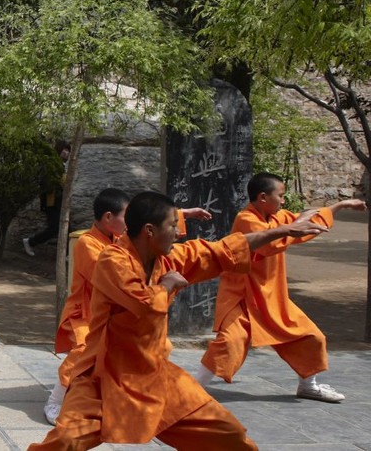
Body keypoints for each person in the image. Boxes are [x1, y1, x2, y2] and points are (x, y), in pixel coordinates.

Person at [31, 191, 327, 450]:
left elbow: (223, 249)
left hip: (156, 376)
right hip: (103, 377)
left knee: (228, 435)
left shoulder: (168, 258)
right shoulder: (113, 260)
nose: (177, 232)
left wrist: (283, 230)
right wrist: (167, 286)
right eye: (173, 226)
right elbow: (144, 304)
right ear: (149, 230)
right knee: (65, 443)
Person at [42, 190, 212, 423]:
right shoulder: (87, 243)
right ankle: (54, 401)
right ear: (109, 217)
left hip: (113, 314)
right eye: (126, 216)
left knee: (157, 346)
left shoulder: (115, 240)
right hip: (85, 314)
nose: (130, 223)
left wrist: (182, 215)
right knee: (83, 353)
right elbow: (113, 277)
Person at [194, 172, 366, 402]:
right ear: (263, 197)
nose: (284, 200)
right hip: (242, 296)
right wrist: (294, 227)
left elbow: (306, 221)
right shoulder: (247, 219)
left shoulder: (276, 217)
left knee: (310, 336)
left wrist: (341, 204)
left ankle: (308, 385)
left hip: (272, 295)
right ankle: (193, 388)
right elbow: (270, 243)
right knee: (230, 341)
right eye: (281, 195)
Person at [23, 140, 71, 256]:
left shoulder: (59, 165)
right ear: (58, 150)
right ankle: (30, 242)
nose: (66, 153)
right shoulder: (52, 165)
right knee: (56, 228)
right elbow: (49, 183)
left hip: (58, 202)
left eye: (68, 150)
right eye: (64, 149)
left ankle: (68, 255)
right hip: (52, 202)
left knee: (66, 228)